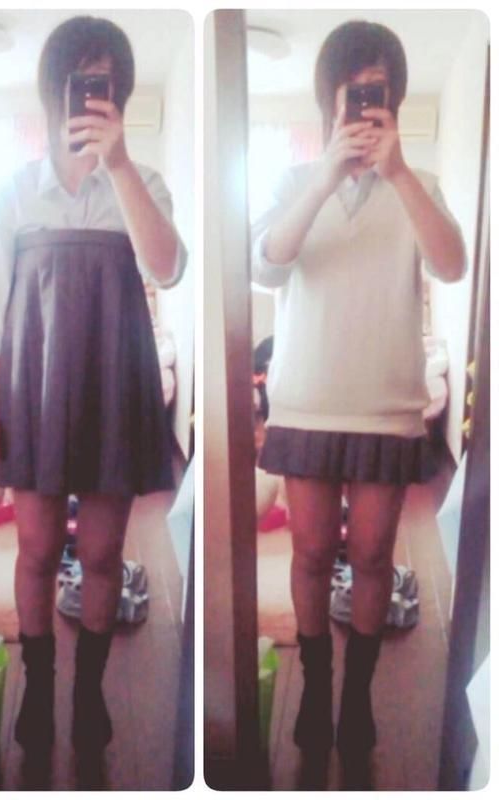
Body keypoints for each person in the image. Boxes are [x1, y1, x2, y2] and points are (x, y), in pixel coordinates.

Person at [251, 19, 465, 787]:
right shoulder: (291, 184)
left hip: (387, 406)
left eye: (379, 92)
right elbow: (267, 266)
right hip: (306, 402)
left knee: (373, 557)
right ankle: (314, 687)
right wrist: (323, 177)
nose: (366, 106)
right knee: (311, 554)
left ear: (395, 101)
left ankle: (359, 698)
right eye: (354, 92)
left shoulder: (421, 184)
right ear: (330, 101)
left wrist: (400, 174)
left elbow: (452, 265)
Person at [0, 16, 187, 789]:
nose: (92, 96)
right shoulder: (14, 191)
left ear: (120, 96)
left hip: (114, 388)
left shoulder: (143, 182)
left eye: (105, 84)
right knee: (35, 550)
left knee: (101, 555)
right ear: (53, 93)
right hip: (33, 391)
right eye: (80, 82)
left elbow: (168, 269)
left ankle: (90, 690)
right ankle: (37, 689)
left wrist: (119, 163)